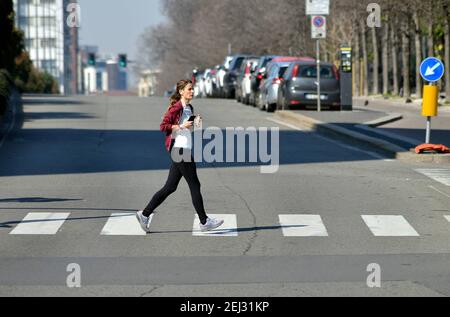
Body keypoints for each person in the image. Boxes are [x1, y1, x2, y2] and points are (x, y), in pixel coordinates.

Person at [136, 79, 224, 233]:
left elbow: (190, 130)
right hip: (179, 149)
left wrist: (197, 123)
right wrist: (182, 126)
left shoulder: (189, 107)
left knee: (170, 187)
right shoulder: (176, 107)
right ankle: (204, 221)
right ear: (181, 91)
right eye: (189, 89)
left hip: (184, 148)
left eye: (192, 89)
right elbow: (163, 126)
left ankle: (144, 214)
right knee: (195, 185)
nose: (192, 91)